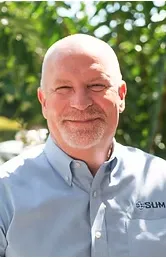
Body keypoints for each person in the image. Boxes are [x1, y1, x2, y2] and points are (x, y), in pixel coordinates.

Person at [0, 33, 166, 257]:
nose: (80, 103)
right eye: (63, 88)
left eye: (96, 85)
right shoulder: (5, 192)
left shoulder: (161, 181)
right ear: (44, 102)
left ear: (121, 95)